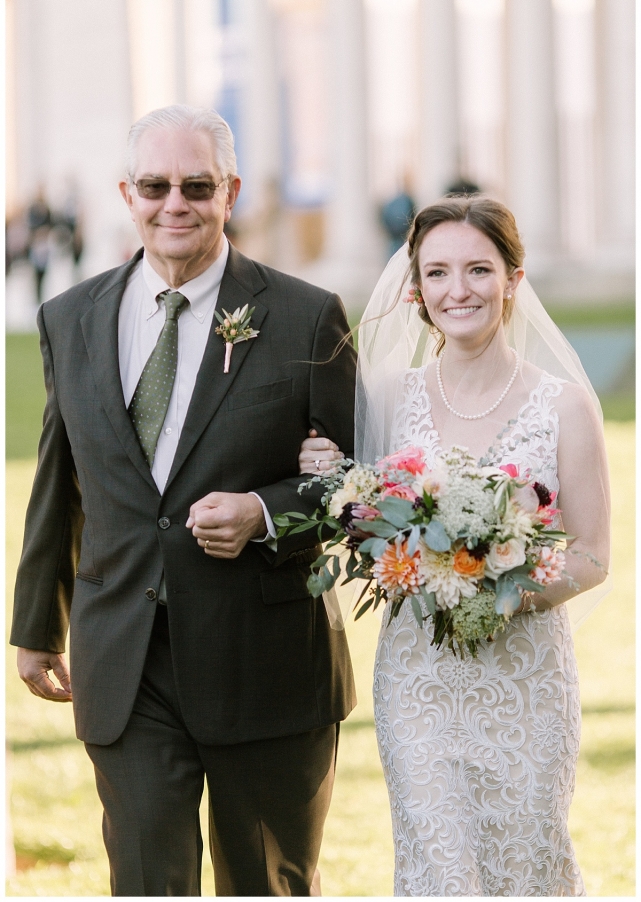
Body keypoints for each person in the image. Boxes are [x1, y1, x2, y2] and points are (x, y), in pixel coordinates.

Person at [10, 104, 357, 897]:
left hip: (264, 663)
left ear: (230, 191)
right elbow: (60, 479)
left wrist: (265, 512)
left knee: (262, 886)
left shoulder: (307, 316)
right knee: (143, 881)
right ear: (125, 193)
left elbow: (354, 485)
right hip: (125, 659)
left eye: (196, 186)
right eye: (156, 186)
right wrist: (37, 622)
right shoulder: (70, 318)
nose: (176, 204)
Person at [299, 195, 610, 896]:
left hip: (525, 681)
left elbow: (591, 555)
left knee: (524, 866)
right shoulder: (381, 397)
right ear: (415, 290)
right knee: (438, 867)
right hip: (419, 684)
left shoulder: (562, 405)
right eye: (437, 273)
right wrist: (327, 473)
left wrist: (502, 588)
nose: (457, 290)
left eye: (477, 269)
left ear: (513, 279)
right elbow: (352, 509)